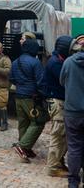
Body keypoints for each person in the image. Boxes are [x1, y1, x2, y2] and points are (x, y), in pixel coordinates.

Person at [9, 38, 47, 163]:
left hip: (18, 96)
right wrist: (43, 95)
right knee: (38, 122)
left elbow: (12, 79)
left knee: (23, 123)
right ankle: (23, 146)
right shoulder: (35, 63)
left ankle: (26, 149)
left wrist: (22, 85)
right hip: (31, 98)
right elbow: (41, 82)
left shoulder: (15, 62)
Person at [42, 36, 74, 178]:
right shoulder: (55, 63)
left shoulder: (57, 60)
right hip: (58, 103)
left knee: (63, 136)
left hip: (59, 102)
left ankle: (58, 162)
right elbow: (66, 80)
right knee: (58, 136)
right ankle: (53, 168)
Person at [60, 34, 84, 188]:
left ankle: (73, 182)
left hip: (72, 112)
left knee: (74, 148)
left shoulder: (68, 62)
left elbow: (62, 81)